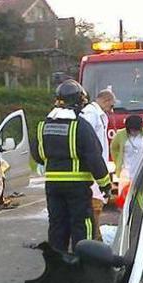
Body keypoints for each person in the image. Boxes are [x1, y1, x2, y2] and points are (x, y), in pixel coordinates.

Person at [31, 80, 111, 252]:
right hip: (77, 187)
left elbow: (38, 155)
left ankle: (58, 265)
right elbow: (94, 157)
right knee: (82, 224)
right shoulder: (80, 126)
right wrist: (105, 184)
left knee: (57, 225)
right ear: (78, 101)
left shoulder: (42, 126)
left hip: (53, 186)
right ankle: (84, 264)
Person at [80, 89, 115, 240]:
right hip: (92, 165)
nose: (111, 109)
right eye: (111, 105)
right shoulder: (90, 114)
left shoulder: (98, 115)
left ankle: (95, 233)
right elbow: (87, 141)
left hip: (98, 163)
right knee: (95, 204)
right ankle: (94, 235)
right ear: (105, 100)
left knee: (98, 203)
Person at [110, 115, 143, 181]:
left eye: (136, 130)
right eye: (132, 130)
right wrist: (118, 162)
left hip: (142, 169)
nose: (134, 132)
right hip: (126, 171)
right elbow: (113, 148)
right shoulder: (120, 134)